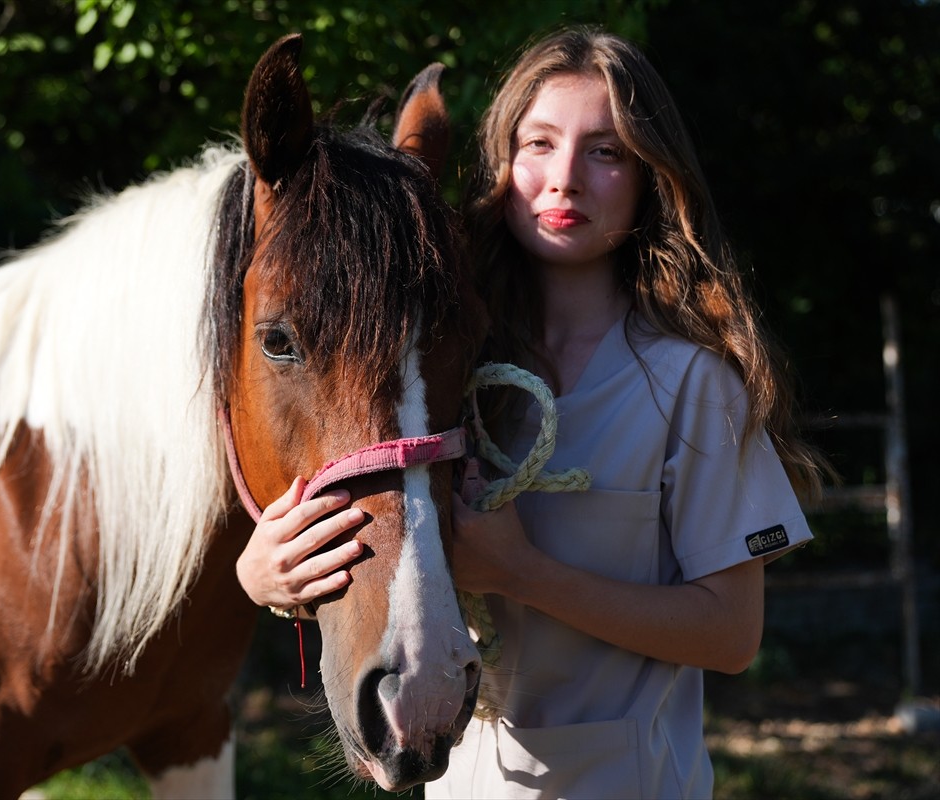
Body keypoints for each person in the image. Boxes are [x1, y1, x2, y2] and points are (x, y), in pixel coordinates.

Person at [235, 25, 830, 799]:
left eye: (606, 152)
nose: (565, 179)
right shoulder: (445, 363)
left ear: (651, 177)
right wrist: (262, 574)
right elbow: (374, 510)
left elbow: (731, 634)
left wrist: (527, 574)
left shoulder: (693, 383)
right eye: (539, 144)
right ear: (504, 165)